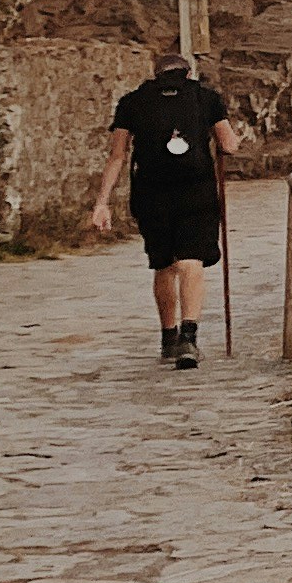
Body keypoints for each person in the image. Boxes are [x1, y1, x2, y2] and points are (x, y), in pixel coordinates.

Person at [85, 48, 235, 369]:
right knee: (191, 260)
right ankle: (189, 338)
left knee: (164, 263)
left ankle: (168, 338)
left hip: (151, 194)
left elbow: (117, 156)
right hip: (197, 192)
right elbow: (229, 144)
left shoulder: (132, 102)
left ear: (156, 75)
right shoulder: (207, 98)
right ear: (189, 74)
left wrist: (102, 203)